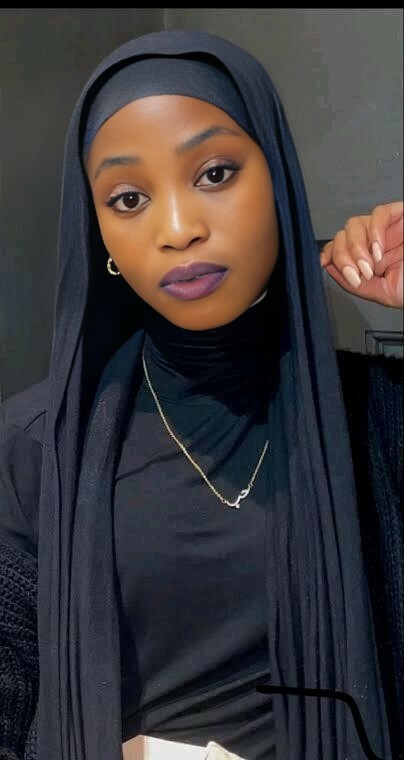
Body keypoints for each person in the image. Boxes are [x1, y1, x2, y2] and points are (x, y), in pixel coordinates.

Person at [0, 28, 402, 760]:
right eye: (128, 197)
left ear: (278, 183)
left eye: (215, 174)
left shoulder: (380, 420)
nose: (179, 230)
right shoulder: (34, 447)